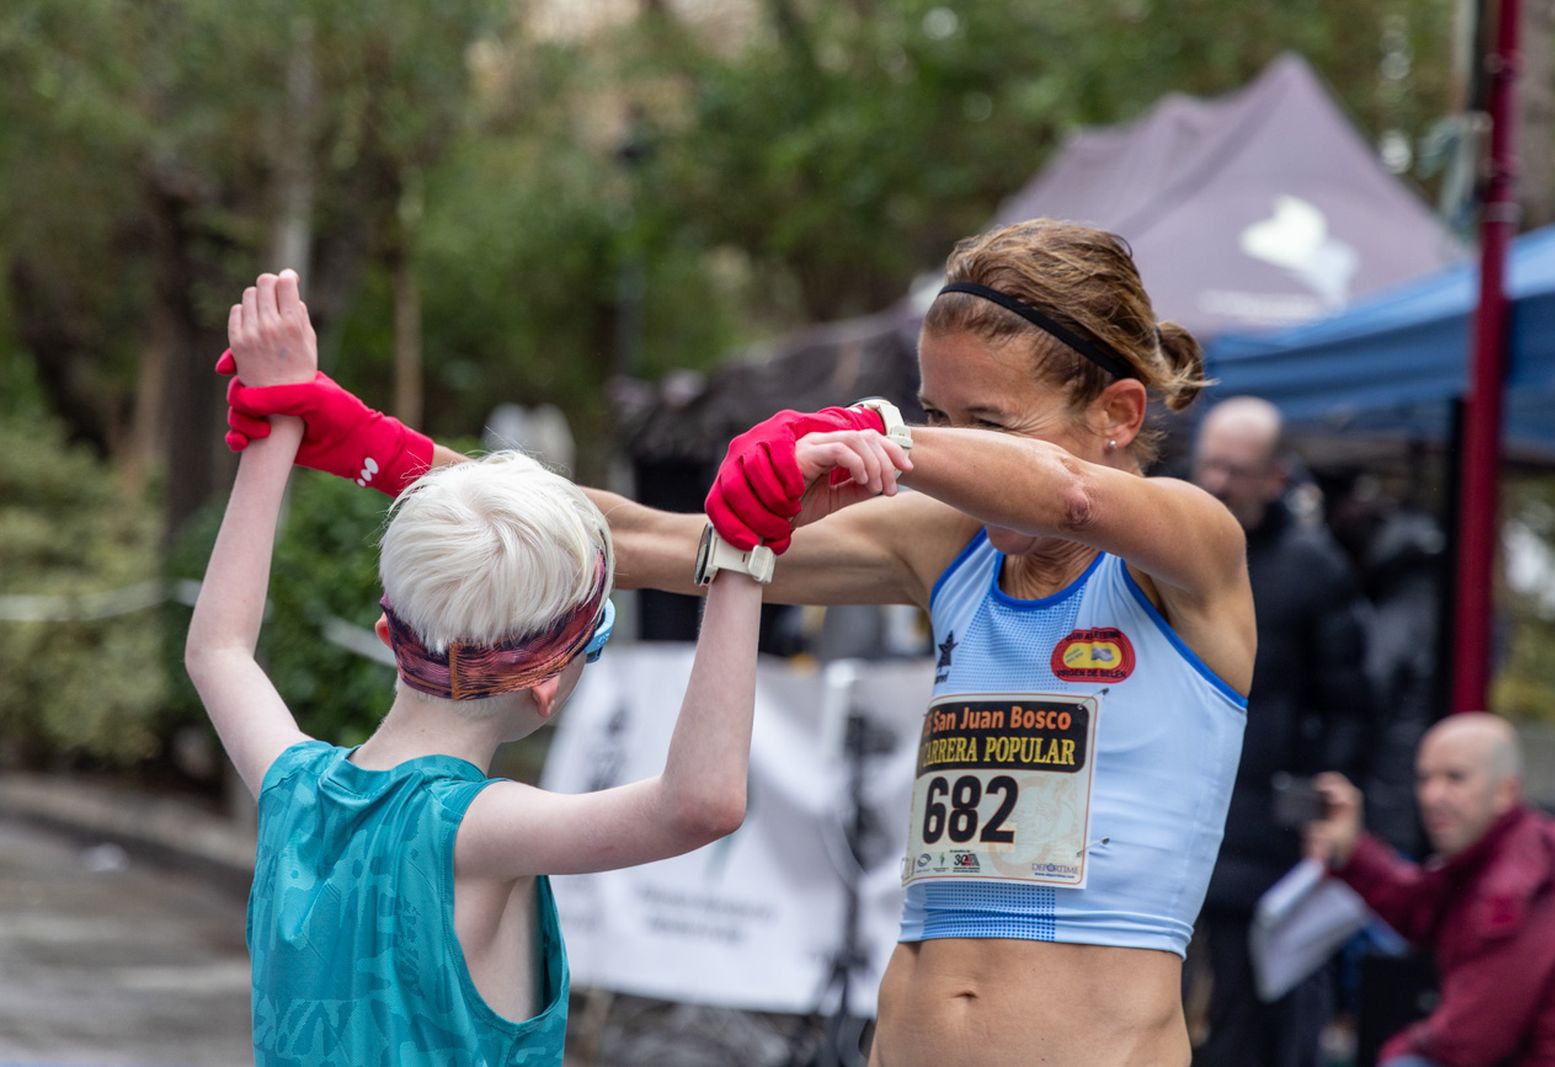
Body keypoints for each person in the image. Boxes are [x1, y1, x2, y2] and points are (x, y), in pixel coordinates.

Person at [222, 220, 1256, 1067]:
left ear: (1119, 411)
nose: (954, 455)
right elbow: (643, 542)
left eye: (988, 425)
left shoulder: (1190, 549)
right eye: (940, 413)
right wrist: (371, 446)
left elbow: (1071, 496)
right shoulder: (944, 548)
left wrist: (879, 436)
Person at [190, 270, 907, 1064]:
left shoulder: (292, 788)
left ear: (388, 628)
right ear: (550, 680)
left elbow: (218, 647)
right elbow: (699, 803)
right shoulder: (477, 830)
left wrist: (276, 415)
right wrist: (744, 546)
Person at [1188, 395, 1374, 1067]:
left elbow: (1352, 705)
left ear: (1274, 477)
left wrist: (1313, 802)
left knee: (1245, 1020)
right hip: (1170, 819)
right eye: (1209, 463)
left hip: (1260, 837)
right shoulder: (1169, 540)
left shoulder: (1313, 568)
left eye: (1236, 470)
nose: (1217, 482)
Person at [1305, 713, 1555, 1067]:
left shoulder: (1516, 886)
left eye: (1455, 778)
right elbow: (1420, 907)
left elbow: (1469, 1038)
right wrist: (1352, 851)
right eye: (1424, 778)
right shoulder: (1493, 857)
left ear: (1506, 790)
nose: (1433, 796)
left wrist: (1397, 1052)